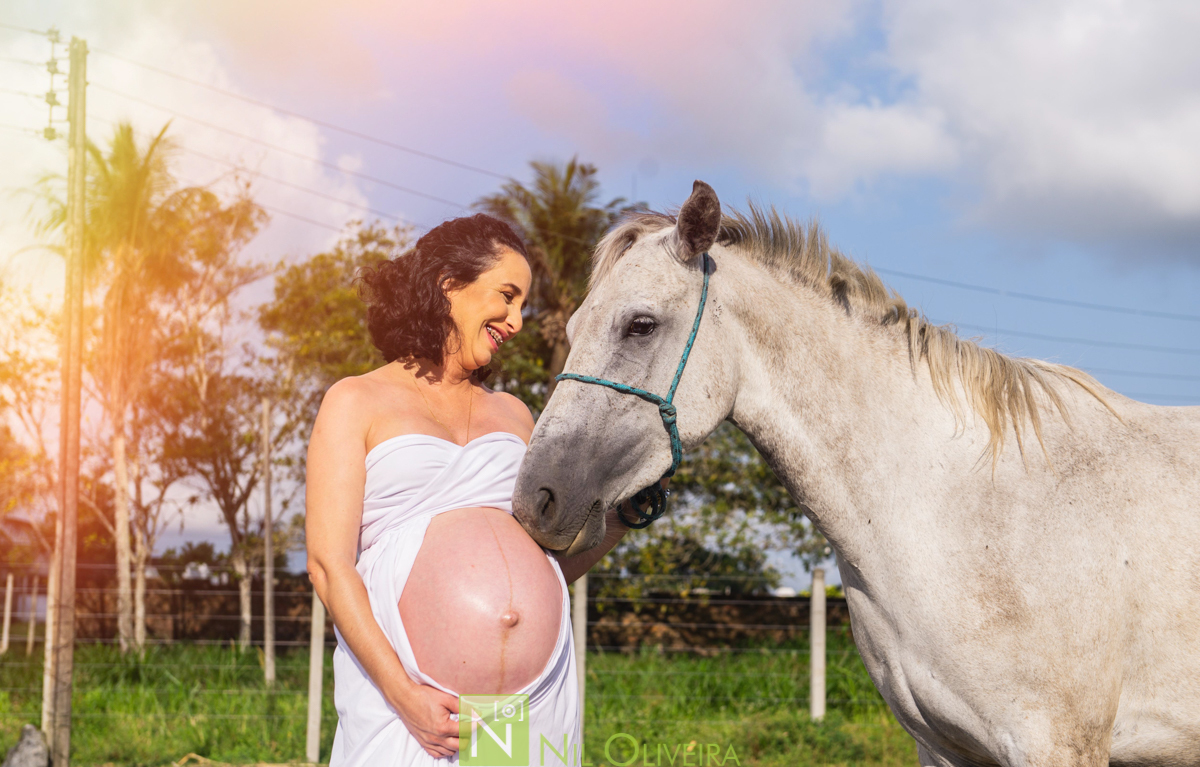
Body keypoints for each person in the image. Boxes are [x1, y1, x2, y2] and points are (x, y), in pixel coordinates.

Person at [305, 214, 629, 765]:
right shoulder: (355, 400)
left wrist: (626, 516)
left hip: (529, 702)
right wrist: (406, 697)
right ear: (449, 283)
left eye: (523, 304)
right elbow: (329, 567)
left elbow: (548, 567)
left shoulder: (517, 414)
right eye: (507, 295)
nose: (518, 320)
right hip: (412, 698)